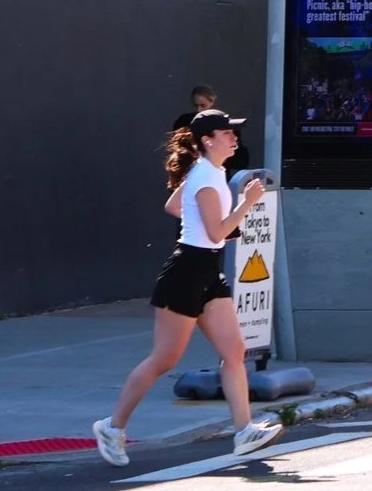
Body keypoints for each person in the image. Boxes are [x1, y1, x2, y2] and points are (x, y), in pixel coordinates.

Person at [92, 110, 282, 467]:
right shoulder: (207, 179)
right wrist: (246, 203)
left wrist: (205, 218)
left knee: (235, 349)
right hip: (187, 271)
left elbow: (174, 205)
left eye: (232, 132)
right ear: (207, 141)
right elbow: (217, 233)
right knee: (165, 359)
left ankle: (244, 432)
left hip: (207, 270)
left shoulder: (207, 171)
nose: (233, 137)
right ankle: (112, 427)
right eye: (226, 133)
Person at [173, 85, 249, 176]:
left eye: (202, 105)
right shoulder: (183, 122)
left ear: (212, 102)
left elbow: (240, 160)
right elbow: (179, 154)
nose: (199, 109)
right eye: (195, 105)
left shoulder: (225, 123)